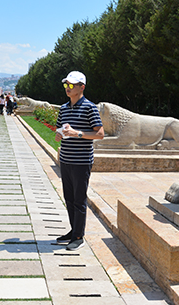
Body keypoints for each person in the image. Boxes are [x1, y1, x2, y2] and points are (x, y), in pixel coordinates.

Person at [54, 71, 104, 250]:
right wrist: (59, 135)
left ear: (81, 87)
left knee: (79, 198)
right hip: (66, 159)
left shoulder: (89, 107)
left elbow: (100, 134)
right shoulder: (64, 108)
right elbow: (59, 129)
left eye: (71, 85)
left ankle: (78, 236)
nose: (67, 88)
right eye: (66, 85)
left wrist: (78, 133)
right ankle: (73, 230)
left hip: (81, 161)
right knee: (68, 197)